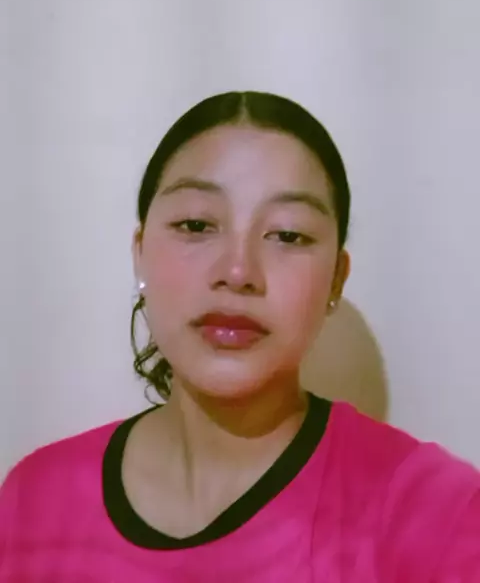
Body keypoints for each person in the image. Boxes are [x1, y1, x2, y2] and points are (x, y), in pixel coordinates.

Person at [1, 90, 479, 582]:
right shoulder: (34, 501)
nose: (237, 271)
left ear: (336, 279)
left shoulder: (436, 516)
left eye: (288, 235)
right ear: (140, 253)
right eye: (196, 224)